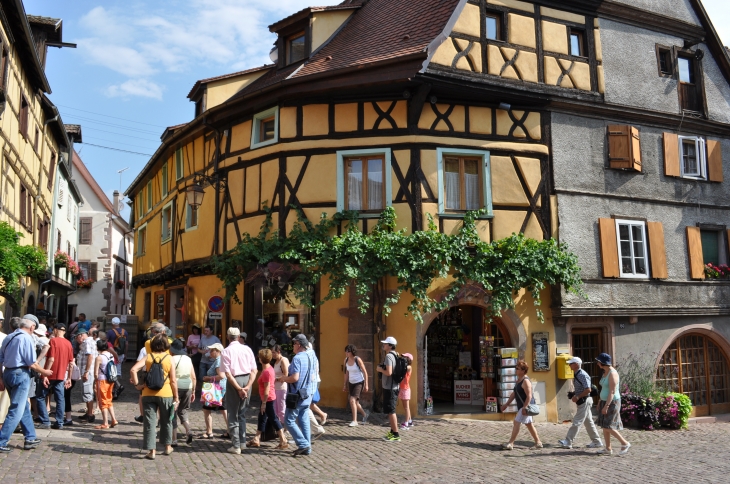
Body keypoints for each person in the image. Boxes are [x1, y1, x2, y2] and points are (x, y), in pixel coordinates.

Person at [0, 315, 53, 453]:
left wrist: (1, 377)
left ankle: (30, 437)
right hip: (20, 374)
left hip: (8, 373)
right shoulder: (26, 338)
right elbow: (32, 362)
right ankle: (1, 441)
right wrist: (44, 372)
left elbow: (1, 359)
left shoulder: (9, 337)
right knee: (17, 408)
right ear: (32, 327)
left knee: (23, 406)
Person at [131, 334, 179, 460]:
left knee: (149, 422)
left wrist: (138, 386)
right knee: (166, 420)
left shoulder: (148, 357)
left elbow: (133, 370)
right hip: (166, 393)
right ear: (166, 345)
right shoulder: (169, 358)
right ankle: (168, 447)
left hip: (147, 393)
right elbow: (173, 380)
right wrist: (176, 396)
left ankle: (151, 450)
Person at [218, 327, 257, 454]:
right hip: (247, 379)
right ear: (239, 336)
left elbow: (228, 374)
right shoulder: (247, 349)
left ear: (228, 337)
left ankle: (236, 445)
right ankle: (243, 442)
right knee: (242, 413)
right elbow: (254, 370)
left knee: (233, 413)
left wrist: (239, 388)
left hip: (235, 380)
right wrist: (247, 386)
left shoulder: (226, 351)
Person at [277, 333, 316, 456]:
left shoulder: (298, 358)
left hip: (296, 395)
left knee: (289, 421)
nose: (292, 346)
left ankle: (303, 444)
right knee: (304, 420)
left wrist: (284, 378)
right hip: (307, 393)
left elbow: (295, 377)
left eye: (293, 343)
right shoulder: (311, 356)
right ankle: (307, 448)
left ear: (298, 345)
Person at [246, 348, 288, 449]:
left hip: (268, 399)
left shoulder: (266, 372)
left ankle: (283, 440)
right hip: (266, 398)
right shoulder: (269, 368)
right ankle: (256, 438)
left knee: (273, 418)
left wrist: (264, 403)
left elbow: (267, 388)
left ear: (261, 359)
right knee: (262, 417)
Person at [558, 356, 603, 450]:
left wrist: (578, 396)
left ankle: (568, 441)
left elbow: (588, 389)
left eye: (571, 363)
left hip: (585, 401)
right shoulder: (577, 374)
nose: (569, 365)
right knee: (589, 422)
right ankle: (597, 441)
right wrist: (574, 394)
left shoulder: (582, 374)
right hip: (583, 401)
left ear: (577, 364)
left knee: (577, 422)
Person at [36, 324, 74, 430]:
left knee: (40, 397)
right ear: (65, 332)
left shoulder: (53, 341)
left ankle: (45, 421)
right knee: (60, 399)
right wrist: (69, 378)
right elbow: (71, 363)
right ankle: (59, 422)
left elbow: (51, 359)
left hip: (50, 374)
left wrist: (45, 374)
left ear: (55, 330)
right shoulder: (68, 343)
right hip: (61, 375)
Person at [500, 360, 542, 450]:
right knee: (529, 424)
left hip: (525, 406)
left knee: (517, 422)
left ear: (523, 370)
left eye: (517, 368)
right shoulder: (519, 380)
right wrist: (506, 404)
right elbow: (514, 393)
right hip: (522, 406)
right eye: (516, 368)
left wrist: (525, 407)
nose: (516, 370)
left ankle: (511, 443)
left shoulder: (525, 381)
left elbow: (529, 395)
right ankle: (538, 442)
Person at [595, 353, 631, 456]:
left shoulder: (613, 373)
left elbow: (612, 391)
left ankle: (625, 443)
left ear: (603, 363)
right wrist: (600, 402)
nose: (597, 363)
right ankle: (608, 448)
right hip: (604, 401)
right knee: (604, 425)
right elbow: (604, 389)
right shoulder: (605, 372)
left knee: (609, 426)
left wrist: (606, 406)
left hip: (612, 402)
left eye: (599, 361)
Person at [170, 339, 195, 446]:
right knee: (183, 410)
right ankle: (188, 430)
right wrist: (193, 391)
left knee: (172, 412)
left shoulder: (171, 359)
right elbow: (193, 376)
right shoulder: (188, 359)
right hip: (188, 386)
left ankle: (174, 439)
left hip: (176, 386)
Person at [200, 343, 228, 440]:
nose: (210, 352)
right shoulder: (220, 360)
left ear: (218, 351)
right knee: (224, 410)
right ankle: (230, 431)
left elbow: (221, 376)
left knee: (206, 410)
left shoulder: (218, 361)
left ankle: (209, 432)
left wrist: (208, 378)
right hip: (220, 388)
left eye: (212, 350)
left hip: (215, 389)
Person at [376, 336, 401, 442]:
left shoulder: (389, 357)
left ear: (390, 346)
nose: (384, 345)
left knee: (391, 411)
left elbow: (389, 372)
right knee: (391, 410)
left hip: (390, 387)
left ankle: (396, 435)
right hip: (394, 386)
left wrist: (380, 369)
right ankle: (392, 432)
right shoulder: (396, 355)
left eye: (385, 344)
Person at [93, 340, 118, 430]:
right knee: (108, 400)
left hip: (102, 380)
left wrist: (95, 382)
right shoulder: (110, 355)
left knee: (102, 402)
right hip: (110, 380)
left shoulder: (99, 357)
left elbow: (96, 373)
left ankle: (105, 423)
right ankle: (114, 419)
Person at [343, 344, 369, 427]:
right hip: (351, 382)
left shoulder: (357, 360)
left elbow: (365, 372)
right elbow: (346, 372)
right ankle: (365, 414)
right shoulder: (346, 360)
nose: (346, 352)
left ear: (352, 352)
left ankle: (354, 420)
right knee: (356, 402)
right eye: (346, 350)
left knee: (352, 400)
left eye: (348, 351)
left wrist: (366, 384)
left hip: (359, 382)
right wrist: (344, 384)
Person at [75, 329, 98, 424]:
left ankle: (90, 415)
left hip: (88, 371)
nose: (76, 340)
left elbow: (90, 356)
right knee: (87, 392)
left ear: (80, 336)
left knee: (88, 393)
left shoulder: (87, 342)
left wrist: (86, 371)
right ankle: (89, 412)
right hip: (88, 371)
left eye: (76, 338)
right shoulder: (89, 341)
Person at [307, 340, 326, 440]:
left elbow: (314, 372)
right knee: (308, 405)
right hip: (313, 382)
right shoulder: (312, 357)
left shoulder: (311, 357)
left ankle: (322, 415)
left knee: (308, 405)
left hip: (312, 383)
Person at [271, 345, 289, 424]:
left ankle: (286, 427)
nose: (272, 354)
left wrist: (276, 379)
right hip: (275, 387)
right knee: (275, 409)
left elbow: (286, 375)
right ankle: (279, 427)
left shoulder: (283, 360)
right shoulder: (276, 362)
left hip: (281, 387)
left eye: (274, 352)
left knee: (282, 409)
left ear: (279, 352)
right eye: (272, 353)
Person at [398, 353, 413, 431]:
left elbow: (405, 368)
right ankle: (410, 421)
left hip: (406, 389)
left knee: (406, 407)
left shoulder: (409, 367)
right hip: (402, 388)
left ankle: (406, 423)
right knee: (405, 407)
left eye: (405, 358)